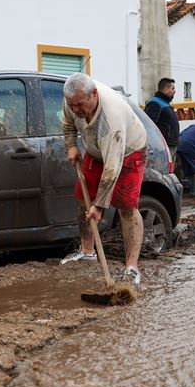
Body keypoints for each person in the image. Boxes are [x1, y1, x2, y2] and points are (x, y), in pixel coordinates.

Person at [59, 73, 148, 287]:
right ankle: (87, 251)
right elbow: (68, 125)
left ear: (94, 95)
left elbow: (112, 168)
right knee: (82, 196)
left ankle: (132, 267)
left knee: (127, 207)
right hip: (96, 149)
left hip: (128, 152)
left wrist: (99, 207)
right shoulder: (71, 99)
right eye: (72, 105)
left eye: (80, 105)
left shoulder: (111, 118)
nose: (75, 109)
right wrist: (71, 145)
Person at [145, 78, 180, 160]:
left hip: (171, 144)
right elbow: (150, 126)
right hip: (163, 147)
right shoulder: (154, 103)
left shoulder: (165, 103)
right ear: (166, 89)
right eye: (172, 88)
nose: (174, 91)